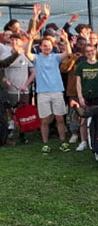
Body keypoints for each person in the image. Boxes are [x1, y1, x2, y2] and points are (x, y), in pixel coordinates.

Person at [21, 21, 73, 153]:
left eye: (49, 46)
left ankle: (63, 142)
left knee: (60, 118)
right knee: (44, 120)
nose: (47, 48)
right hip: (43, 93)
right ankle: (45, 143)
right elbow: (27, 53)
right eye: (44, 46)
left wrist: (66, 40)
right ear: (40, 47)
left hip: (57, 92)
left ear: (52, 46)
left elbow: (68, 53)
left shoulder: (56, 57)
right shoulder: (36, 58)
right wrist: (31, 39)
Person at [74, 40, 98, 152]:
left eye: (92, 50)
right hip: (86, 96)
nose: (90, 53)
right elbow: (78, 83)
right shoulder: (81, 65)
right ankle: (83, 141)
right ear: (84, 53)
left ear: (95, 51)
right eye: (87, 51)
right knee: (83, 120)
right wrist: (80, 96)